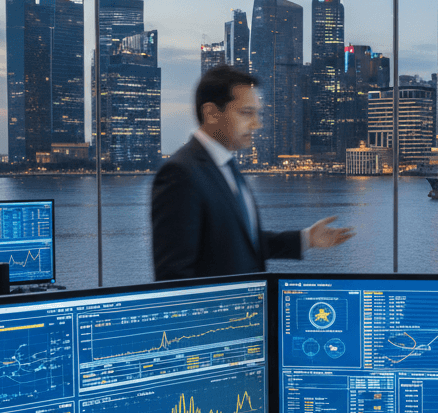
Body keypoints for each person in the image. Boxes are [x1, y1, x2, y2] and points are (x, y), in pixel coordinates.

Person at [151, 64, 354, 280]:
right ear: (211, 113)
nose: (257, 124)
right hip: (220, 313)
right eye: (246, 113)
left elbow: (241, 242)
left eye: (258, 113)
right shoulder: (180, 174)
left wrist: (306, 239)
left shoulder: (225, 166)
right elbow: (172, 277)